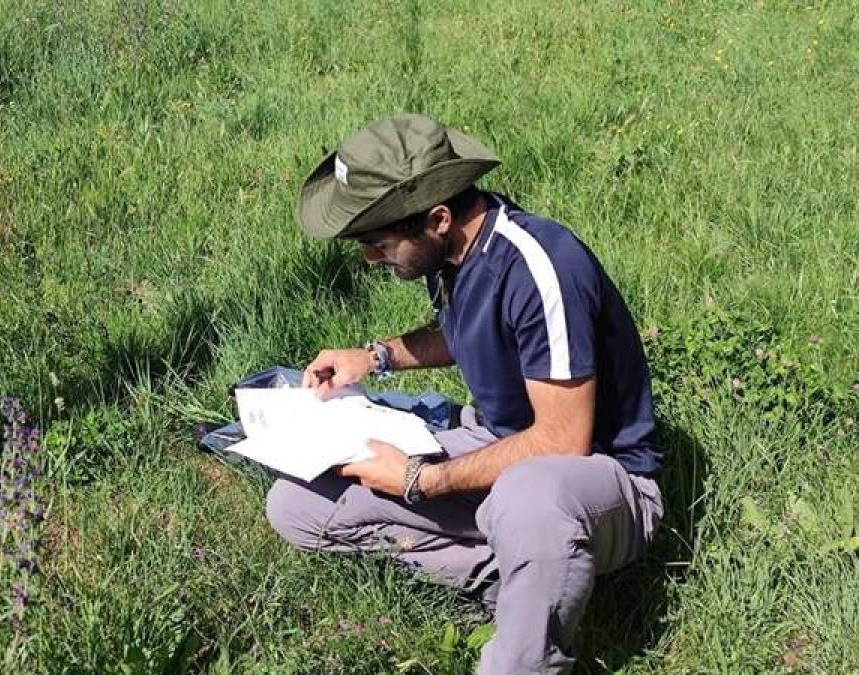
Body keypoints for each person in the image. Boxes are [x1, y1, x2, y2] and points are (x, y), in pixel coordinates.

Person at [266, 114, 665, 674]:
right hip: (500, 449)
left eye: (378, 245)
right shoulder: (451, 255)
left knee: (526, 499)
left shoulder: (540, 266)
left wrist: (419, 481)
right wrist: (376, 356)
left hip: (601, 483)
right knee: (297, 505)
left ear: (438, 218)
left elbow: (562, 442)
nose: (369, 260)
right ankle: (509, 580)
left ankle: (525, 649)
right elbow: (464, 332)